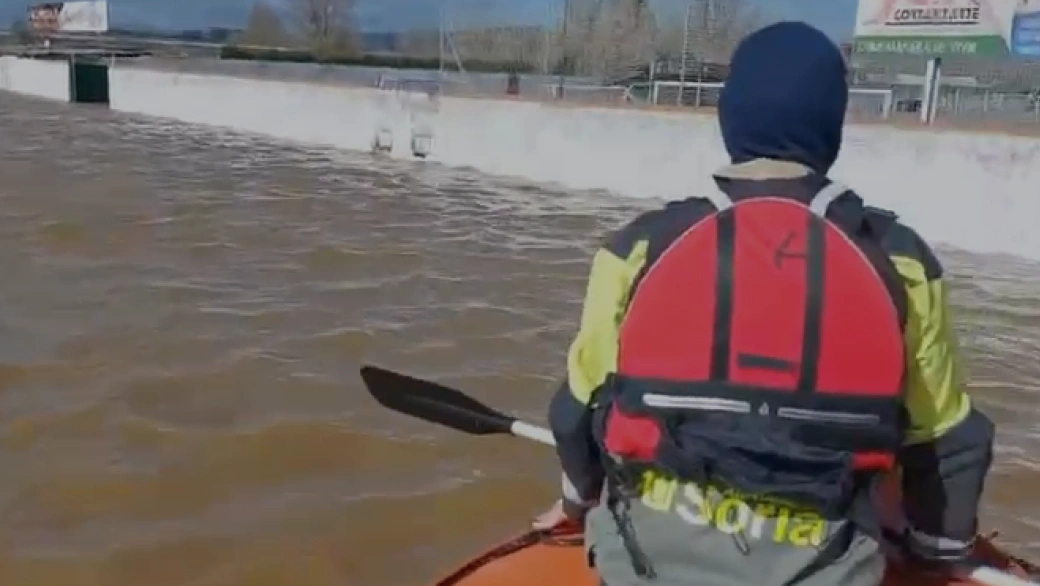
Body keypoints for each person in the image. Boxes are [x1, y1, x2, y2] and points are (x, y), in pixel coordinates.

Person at [534, 21, 995, 586]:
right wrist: (939, 552)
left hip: (643, 566)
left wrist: (577, 503)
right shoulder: (900, 261)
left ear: (731, 119)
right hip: (828, 569)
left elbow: (575, 411)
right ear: (832, 129)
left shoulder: (639, 247)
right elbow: (946, 441)